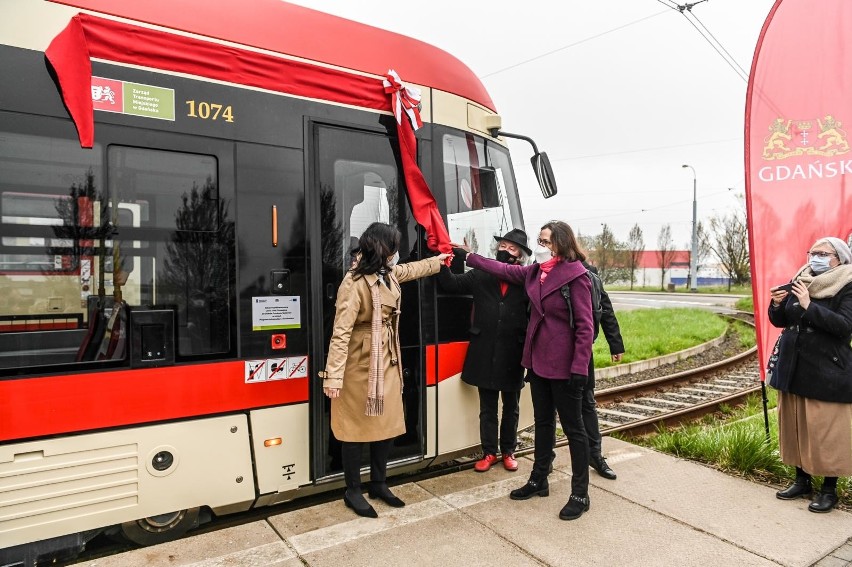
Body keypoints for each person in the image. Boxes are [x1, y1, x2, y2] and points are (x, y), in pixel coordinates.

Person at [455, 220, 595, 521]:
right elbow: (503, 270)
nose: (540, 247)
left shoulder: (576, 277)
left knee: (574, 430)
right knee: (544, 423)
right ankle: (538, 479)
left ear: (559, 244)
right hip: (538, 362)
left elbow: (585, 327)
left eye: (544, 242)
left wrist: (580, 367)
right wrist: (467, 256)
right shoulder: (535, 273)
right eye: (540, 241)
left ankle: (580, 493)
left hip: (566, 366)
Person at [319, 222, 450, 519]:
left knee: (387, 425)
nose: (397, 254)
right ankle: (353, 490)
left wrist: (438, 261)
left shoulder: (388, 274)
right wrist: (334, 376)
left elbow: (412, 270)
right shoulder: (353, 283)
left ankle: (379, 483)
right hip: (358, 364)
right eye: (394, 247)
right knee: (353, 430)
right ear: (384, 249)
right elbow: (340, 333)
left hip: (387, 361)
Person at [768, 236, 852, 513]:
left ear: (838, 258)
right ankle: (801, 480)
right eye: (812, 252)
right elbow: (783, 321)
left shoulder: (847, 284)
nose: (815, 257)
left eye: (823, 253)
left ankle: (829, 489)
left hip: (828, 371)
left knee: (827, 433)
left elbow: (844, 327)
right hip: (794, 368)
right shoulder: (801, 280)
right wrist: (778, 305)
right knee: (795, 426)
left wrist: (808, 305)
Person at [437, 229, 531, 473]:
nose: (506, 251)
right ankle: (489, 452)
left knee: (511, 407)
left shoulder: (524, 280)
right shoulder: (480, 274)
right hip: (484, 351)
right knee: (487, 407)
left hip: (513, 354)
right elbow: (452, 285)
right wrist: (445, 260)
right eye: (504, 246)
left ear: (520, 256)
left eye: (513, 249)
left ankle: (508, 451)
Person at [582, 262, 624, 480]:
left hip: (582, 351)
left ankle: (595, 455)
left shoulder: (588, 272)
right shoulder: (539, 269)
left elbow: (604, 308)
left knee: (587, 404)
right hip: (550, 353)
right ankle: (546, 460)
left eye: (548, 242)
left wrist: (615, 343)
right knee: (549, 408)